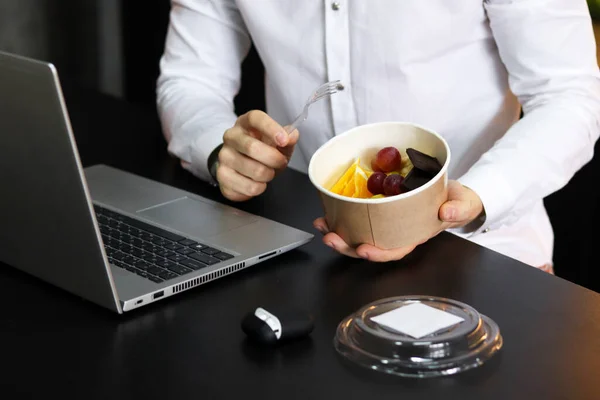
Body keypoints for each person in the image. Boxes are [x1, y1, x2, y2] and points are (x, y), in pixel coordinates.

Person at [156, 0, 600, 272]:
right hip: (307, 252)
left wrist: (476, 196)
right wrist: (217, 148)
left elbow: (571, 96)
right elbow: (190, 78)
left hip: (483, 259)